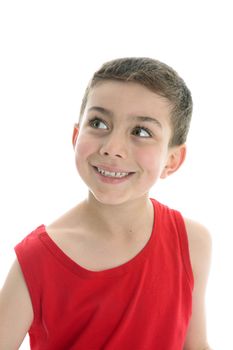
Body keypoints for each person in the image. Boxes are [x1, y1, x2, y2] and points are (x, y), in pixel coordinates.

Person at [0, 57, 212, 349]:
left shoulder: (192, 242)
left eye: (141, 132)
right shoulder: (36, 259)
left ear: (172, 160)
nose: (112, 148)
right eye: (99, 123)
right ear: (76, 136)